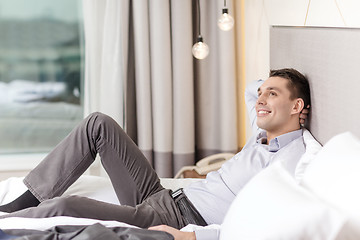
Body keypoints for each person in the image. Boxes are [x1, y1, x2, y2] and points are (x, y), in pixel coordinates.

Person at [0, 68, 311, 240]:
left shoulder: (290, 161)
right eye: (262, 94)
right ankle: (24, 201)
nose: (259, 100)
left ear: (297, 107)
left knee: (66, 206)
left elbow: (261, 227)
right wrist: (271, 88)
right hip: (166, 196)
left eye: (272, 94)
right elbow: (251, 90)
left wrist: (194, 237)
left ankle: (7, 224)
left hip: (176, 218)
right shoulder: (260, 135)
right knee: (99, 124)